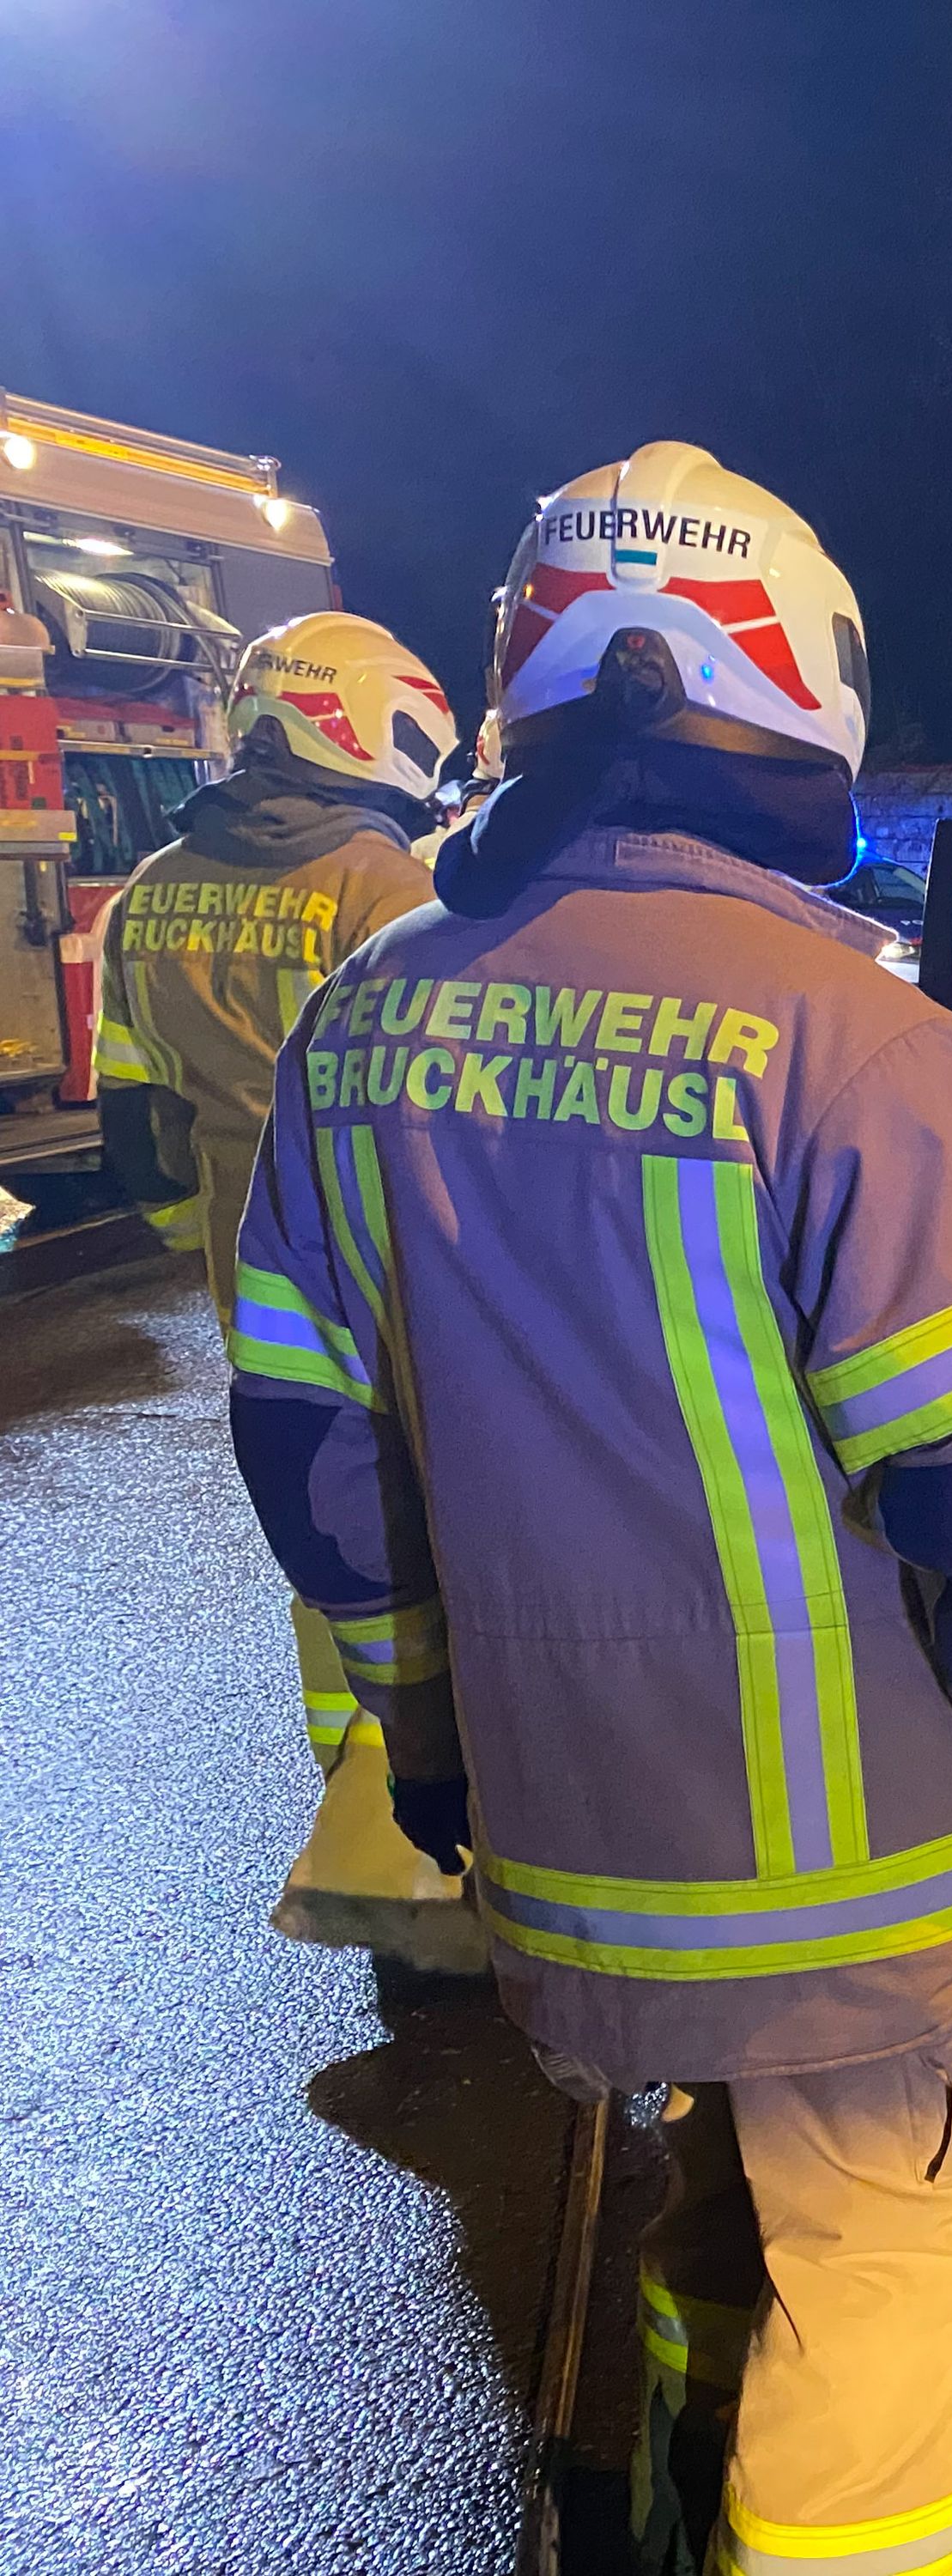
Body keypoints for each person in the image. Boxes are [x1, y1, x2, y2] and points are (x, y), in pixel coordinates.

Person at [222, 441, 952, 2576]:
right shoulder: (855, 1041)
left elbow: (314, 1464)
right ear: (794, 695)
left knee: (706, 2233)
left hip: (572, 1873)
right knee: (877, 2374)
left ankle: (679, 2490)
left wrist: (443, 1746)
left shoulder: (364, 1025)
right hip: (876, 1912)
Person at [92, 612, 483, 1962]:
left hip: (251, 1278)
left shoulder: (146, 890)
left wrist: (206, 1243)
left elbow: (133, 1126)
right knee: (442, 1519)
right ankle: (466, 1807)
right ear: (366, 721)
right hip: (395, 1266)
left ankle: (361, 1798)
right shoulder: (388, 886)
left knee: (324, 1529)